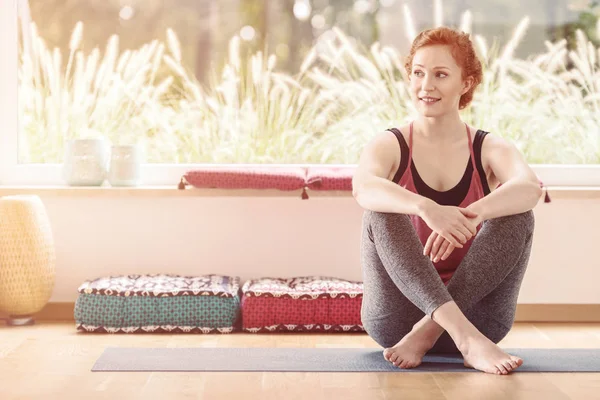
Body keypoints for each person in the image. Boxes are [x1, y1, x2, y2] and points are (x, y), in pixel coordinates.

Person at [352, 26, 543, 375]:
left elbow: (531, 188)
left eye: (440, 74)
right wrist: (426, 207)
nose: (426, 86)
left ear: (466, 83)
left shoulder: (489, 148)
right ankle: (461, 338)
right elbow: (363, 187)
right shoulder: (389, 144)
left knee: (519, 215)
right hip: (398, 322)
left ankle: (434, 331)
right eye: (418, 73)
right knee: (380, 213)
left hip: (480, 319)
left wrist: (472, 216)